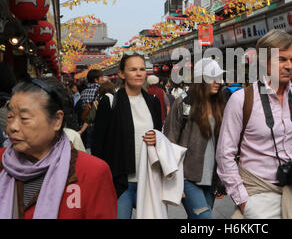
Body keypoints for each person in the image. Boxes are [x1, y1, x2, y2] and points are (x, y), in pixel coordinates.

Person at [216, 29, 292, 219]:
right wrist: (243, 201)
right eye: (282, 59)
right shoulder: (242, 100)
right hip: (258, 195)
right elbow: (225, 154)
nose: (289, 66)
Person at [0, 77, 117, 218]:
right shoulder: (2, 162)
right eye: (10, 116)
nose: (12, 127)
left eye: (24, 118)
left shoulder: (92, 172)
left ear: (57, 120)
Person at [92, 51, 162, 219]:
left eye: (142, 69)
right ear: (122, 74)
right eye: (133, 69)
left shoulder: (153, 101)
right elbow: (97, 144)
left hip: (148, 179)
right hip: (119, 180)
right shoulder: (109, 102)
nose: (139, 73)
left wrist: (158, 138)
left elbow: (161, 136)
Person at [164, 58, 226, 219]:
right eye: (212, 77)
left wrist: (221, 180)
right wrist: (173, 179)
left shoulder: (221, 105)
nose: (218, 82)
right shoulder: (183, 104)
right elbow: (169, 140)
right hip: (187, 177)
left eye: (219, 77)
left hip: (211, 178)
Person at [79, 69, 103, 149]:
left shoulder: (83, 92)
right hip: (97, 124)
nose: (102, 79)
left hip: (84, 124)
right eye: (101, 77)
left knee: (87, 146)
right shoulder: (100, 91)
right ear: (96, 80)